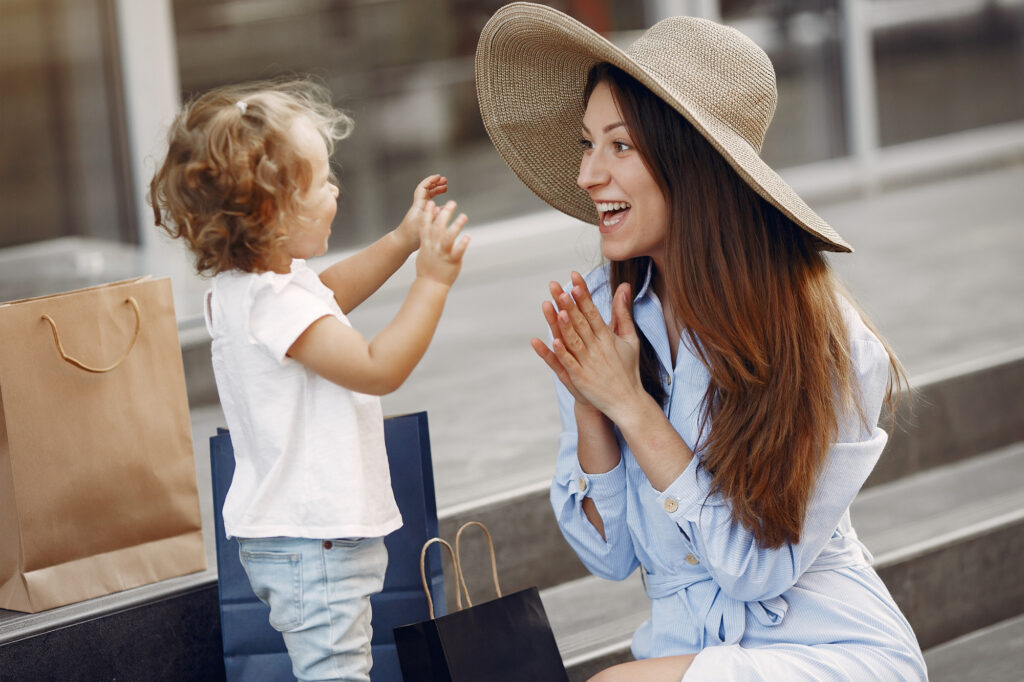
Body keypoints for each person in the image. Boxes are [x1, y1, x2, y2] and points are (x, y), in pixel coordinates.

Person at [476, 4, 926, 681]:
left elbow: (755, 568)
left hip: (830, 652)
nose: (587, 176)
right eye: (585, 144)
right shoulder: (606, 314)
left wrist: (632, 407)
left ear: (693, 162)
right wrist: (591, 402)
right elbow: (609, 555)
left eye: (619, 146)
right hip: (685, 651)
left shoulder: (820, 337)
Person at [149, 78, 469, 681]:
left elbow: (330, 294)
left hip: (303, 539)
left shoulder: (255, 290)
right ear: (271, 213)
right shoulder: (276, 304)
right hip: (312, 540)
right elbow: (378, 369)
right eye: (322, 181)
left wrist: (402, 241)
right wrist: (432, 282)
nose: (336, 189)